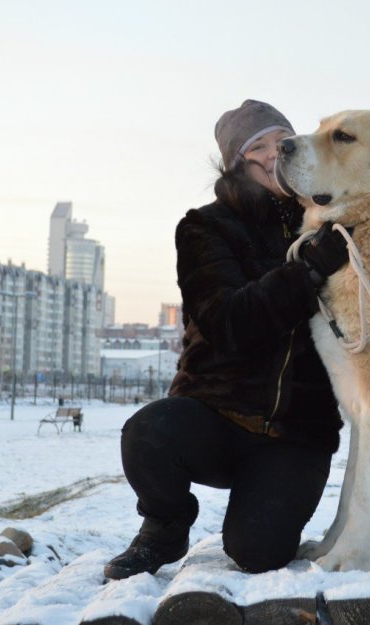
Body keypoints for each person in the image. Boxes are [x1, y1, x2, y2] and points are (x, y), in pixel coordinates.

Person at [104, 100, 350, 580]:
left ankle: (265, 499)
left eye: (283, 141)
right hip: (218, 415)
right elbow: (227, 323)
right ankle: (164, 528)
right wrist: (306, 272)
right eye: (259, 146)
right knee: (148, 432)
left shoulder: (329, 223)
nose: (275, 153)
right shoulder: (206, 227)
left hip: (297, 432)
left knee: (258, 552)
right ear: (237, 163)